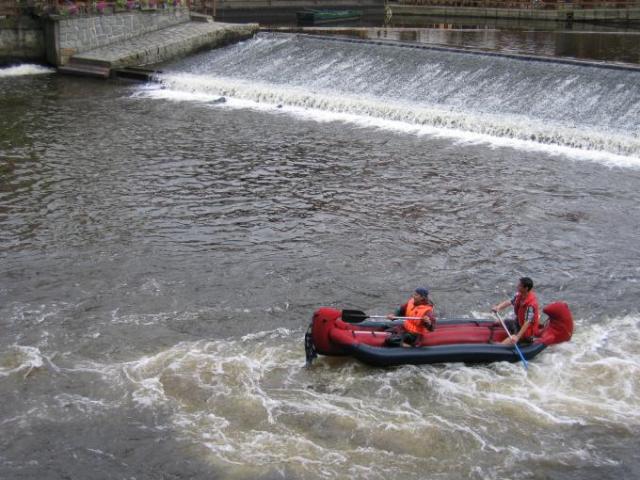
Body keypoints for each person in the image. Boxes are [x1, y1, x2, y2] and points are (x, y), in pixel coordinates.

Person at [491, 277, 540, 345]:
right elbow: (509, 302)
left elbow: (527, 323)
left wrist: (517, 337)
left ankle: (498, 347)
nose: (517, 286)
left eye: (520, 285)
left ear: (526, 288)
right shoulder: (519, 296)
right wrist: (498, 307)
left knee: (511, 339)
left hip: (526, 332)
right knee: (498, 322)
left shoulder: (531, 305)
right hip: (518, 324)